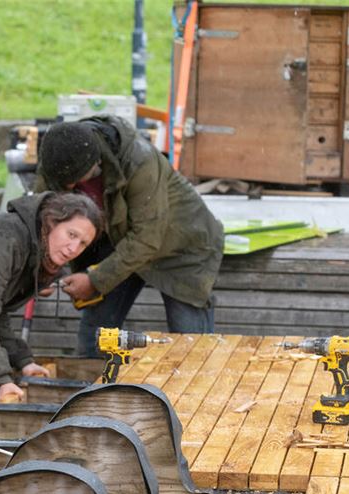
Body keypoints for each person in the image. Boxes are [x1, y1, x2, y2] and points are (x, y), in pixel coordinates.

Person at [35, 115, 224, 357]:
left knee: (191, 347)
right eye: (65, 183)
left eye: (75, 181)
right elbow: (41, 218)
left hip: (182, 245)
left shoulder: (139, 160)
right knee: (95, 339)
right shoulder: (58, 157)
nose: (70, 188)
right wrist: (43, 268)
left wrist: (95, 280)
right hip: (118, 241)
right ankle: (92, 380)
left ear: (95, 163)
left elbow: (146, 238)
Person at [0, 191, 102, 403]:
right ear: (51, 222)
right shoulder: (4, 239)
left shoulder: (38, 251)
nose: (74, 249)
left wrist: (23, 361)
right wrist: (1, 379)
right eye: (71, 235)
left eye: (83, 243)